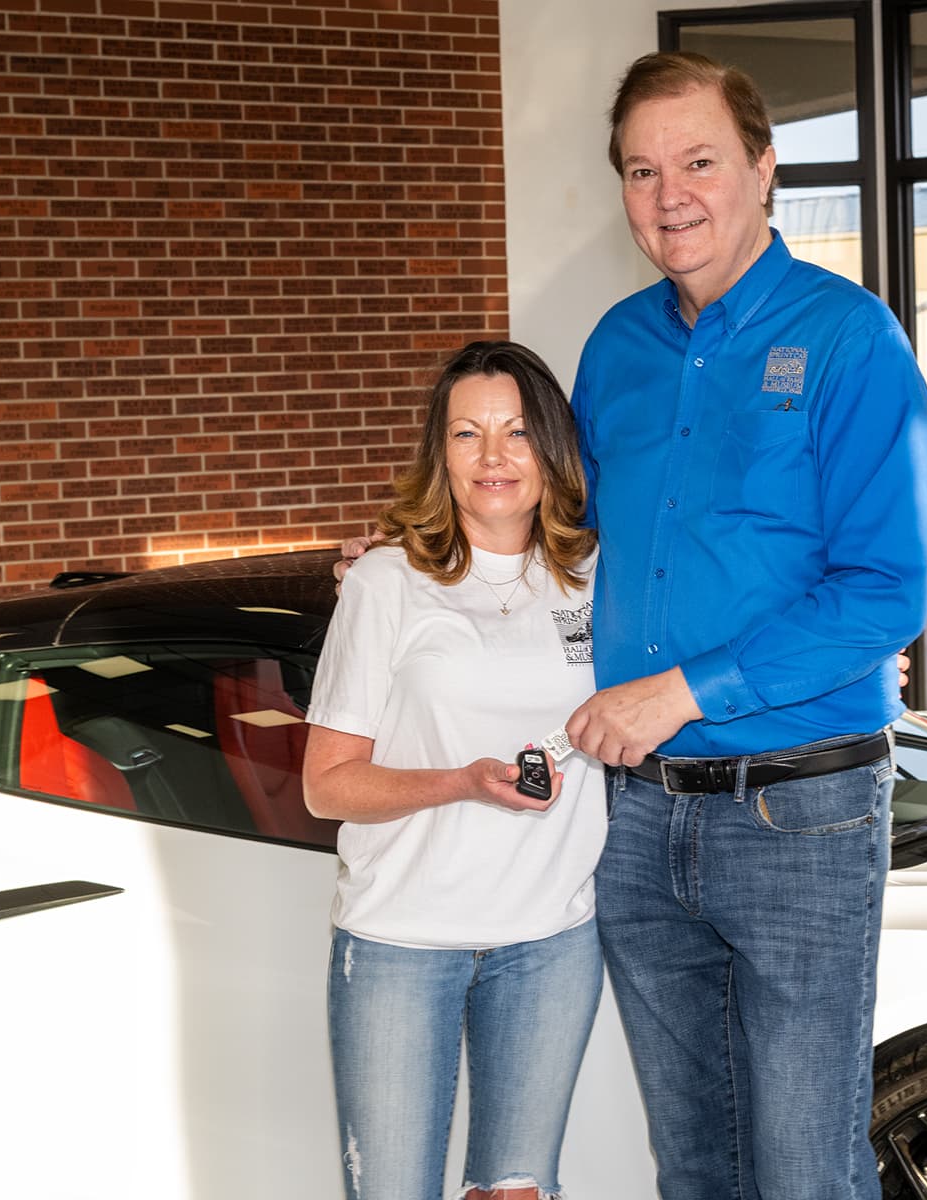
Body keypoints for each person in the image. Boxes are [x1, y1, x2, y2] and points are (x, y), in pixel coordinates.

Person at [335, 51, 927, 1200]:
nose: (671, 196)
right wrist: (421, 555)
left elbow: (883, 592)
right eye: (642, 170)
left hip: (799, 812)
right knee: (695, 1162)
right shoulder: (617, 347)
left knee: (805, 1168)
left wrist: (683, 690)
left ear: (763, 170)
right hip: (640, 825)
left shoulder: (852, 341)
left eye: (700, 162)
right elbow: (556, 522)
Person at [303, 340, 605, 1200]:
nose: (495, 457)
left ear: (553, 448)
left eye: (516, 432)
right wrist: (463, 781)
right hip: (402, 944)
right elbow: (328, 784)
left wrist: (868, 671)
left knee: (516, 1192)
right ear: (440, 455)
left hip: (549, 940)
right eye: (467, 434)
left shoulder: (597, 577)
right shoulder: (385, 582)